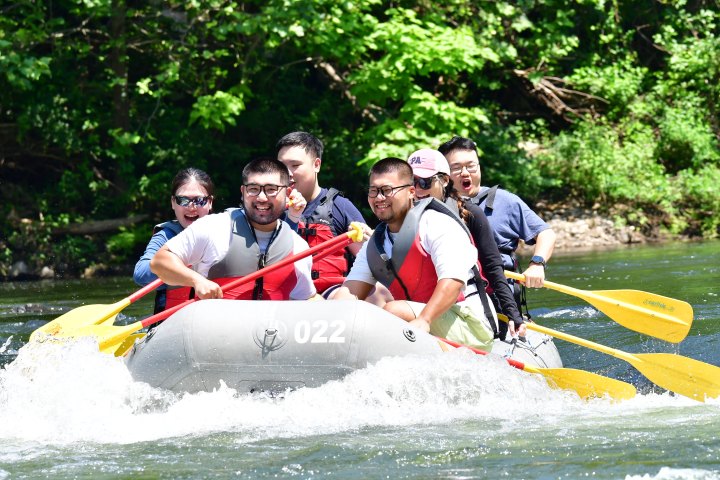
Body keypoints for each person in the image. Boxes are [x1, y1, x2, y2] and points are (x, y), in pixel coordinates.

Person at [332, 157, 497, 351]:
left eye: (387, 190)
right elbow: (349, 293)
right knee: (368, 305)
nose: (379, 198)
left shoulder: (437, 224)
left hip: (471, 325)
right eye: (373, 191)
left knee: (394, 310)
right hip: (420, 322)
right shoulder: (375, 244)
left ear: (411, 192)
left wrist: (425, 320)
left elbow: (452, 282)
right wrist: (331, 319)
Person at [150, 158, 316, 304]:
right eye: (253, 189)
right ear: (243, 192)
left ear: (287, 193)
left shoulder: (299, 246)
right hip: (213, 334)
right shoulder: (213, 227)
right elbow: (159, 262)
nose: (262, 197)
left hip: (270, 336)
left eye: (271, 189)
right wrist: (197, 281)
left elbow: (307, 298)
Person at [407, 148, 526, 339]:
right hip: (423, 302)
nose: (418, 189)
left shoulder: (470, 213)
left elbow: (493, 267)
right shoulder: (403, 219)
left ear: (444, 180)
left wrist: (513, 314)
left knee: (395, 310)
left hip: (468, 306)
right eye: (411, 182)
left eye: (425, 182)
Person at [439, 136, 556, 315]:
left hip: (499, 296)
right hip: (453, 294)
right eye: (456, 168)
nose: (465, 172)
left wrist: (537, 264)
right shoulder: (435, 206)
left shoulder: (505, 201)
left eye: (471, 166)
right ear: (443, 175)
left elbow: (545, 234)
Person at [276, 131, 367, 296]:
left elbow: (368, 260)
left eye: (295, 165)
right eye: (281, 166)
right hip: (283, 295)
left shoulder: (340, 206)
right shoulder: (269, 207)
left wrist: (372, 241)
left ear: (316, 165)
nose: (287, 173)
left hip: (330, 295)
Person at [133, 167, 214, 313]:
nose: (191, 207)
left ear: (210, 202)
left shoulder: (226, 231)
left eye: (199, 200)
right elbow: (140, 274)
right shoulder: (166, 236)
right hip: (172, 322)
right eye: (183, 200)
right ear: (173, 202)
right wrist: (180, 268)